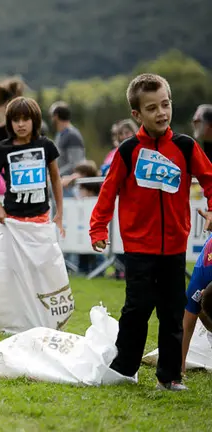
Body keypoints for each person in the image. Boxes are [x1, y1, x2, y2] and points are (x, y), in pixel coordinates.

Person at [90, 73, 212, 391]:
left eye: (165, 105)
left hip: (174, 248)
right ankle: (124, 370)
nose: (161, 113)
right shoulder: (128, 151)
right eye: (152, 108)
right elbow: (108, 192)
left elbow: (210, 179)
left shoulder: (185, 146)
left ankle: (169, 377)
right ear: (137, 114)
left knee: (171, 313)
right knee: (137, 310)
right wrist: (98, 227)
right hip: (138, 249)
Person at [0, 97, 64, 231]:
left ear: (34, 120)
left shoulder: (46, 145)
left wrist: (59, 211)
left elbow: (55, 178)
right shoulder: (3, 148)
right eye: (16, 120)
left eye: (25, 119)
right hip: (11, 220)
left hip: (41, 220)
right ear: (9, 122)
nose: (20, 124)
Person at [181, 226, 212, 373]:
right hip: (205, 274)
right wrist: (180, 366)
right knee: (194, 305)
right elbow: (186, 323)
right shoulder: (202, 274)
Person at [50, 102, 86, 182]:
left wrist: (55, 175)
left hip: (70, 184)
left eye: (51, 116)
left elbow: (76, 164)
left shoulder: (72, 135)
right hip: (60, 181)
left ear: (56, 116)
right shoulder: (60, 134)